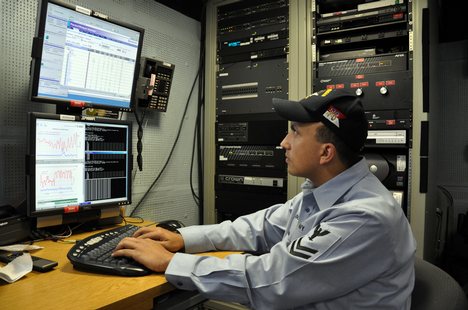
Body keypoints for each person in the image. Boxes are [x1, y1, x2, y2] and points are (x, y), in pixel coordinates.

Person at [113, 88, 416, 309]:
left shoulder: (364, 216)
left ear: (326, 153)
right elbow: (261, 227)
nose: (282, 143)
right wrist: (183, 239)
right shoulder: (326, 190)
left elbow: (271, 281)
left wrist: (171, 263)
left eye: (295, 133)